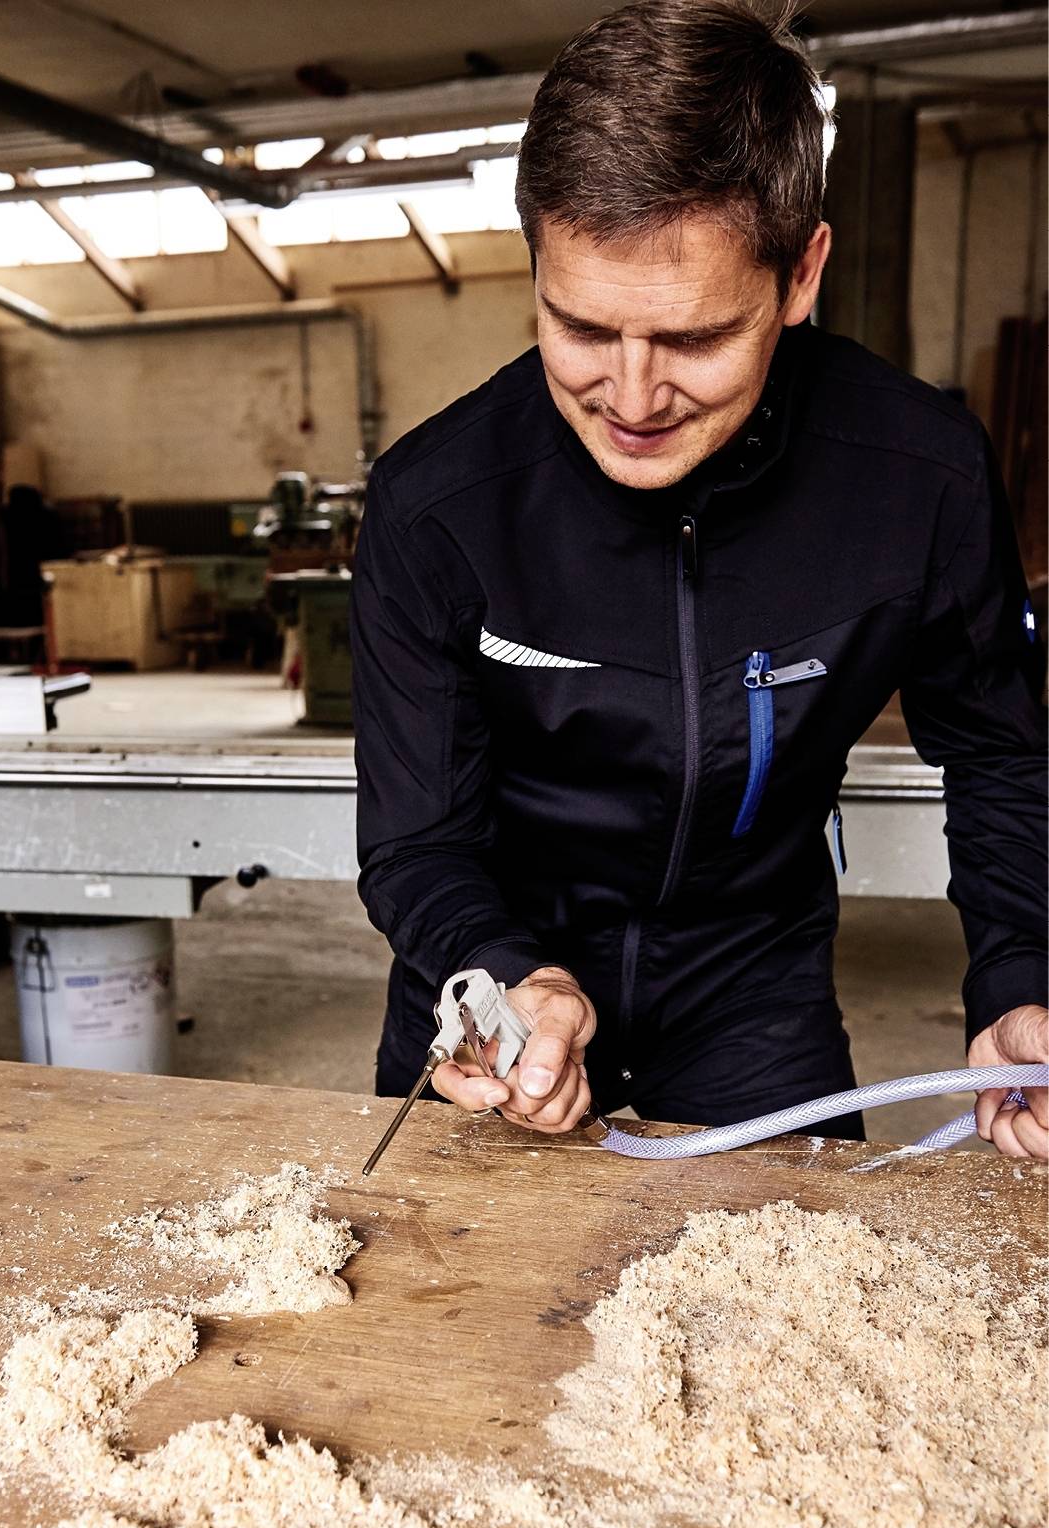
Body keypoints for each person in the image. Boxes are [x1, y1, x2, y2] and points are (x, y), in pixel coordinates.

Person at [350, 0, 1048, 1159]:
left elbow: (1000, 753)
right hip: (502, 996)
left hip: (753, 997)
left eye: (691, 340)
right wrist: (507, 980)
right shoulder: (438, 507)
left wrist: (1022, 972)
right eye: (578, 327)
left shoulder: (921, 478)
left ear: (800, 272)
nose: (629, 398)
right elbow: (416, 841)